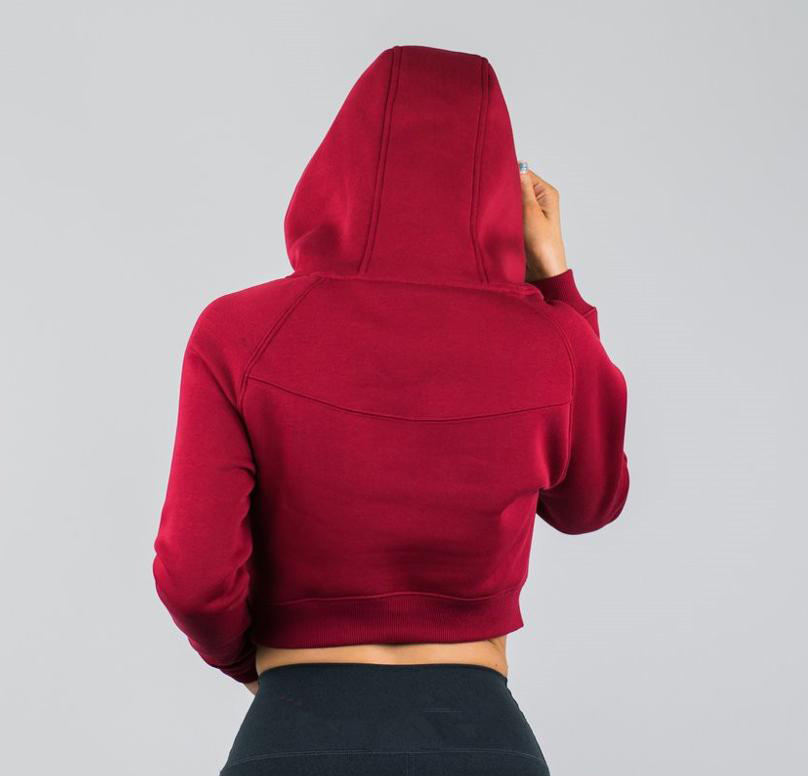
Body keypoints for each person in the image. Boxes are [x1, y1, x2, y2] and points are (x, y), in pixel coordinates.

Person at [152, 44, 630, 776]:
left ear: (340, 161)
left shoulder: (239, 334)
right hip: (481, 738)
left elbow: (194, 575)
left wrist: (258, 669)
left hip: (294, 728)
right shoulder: (553, 342)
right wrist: (557, 283)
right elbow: (591, 501)